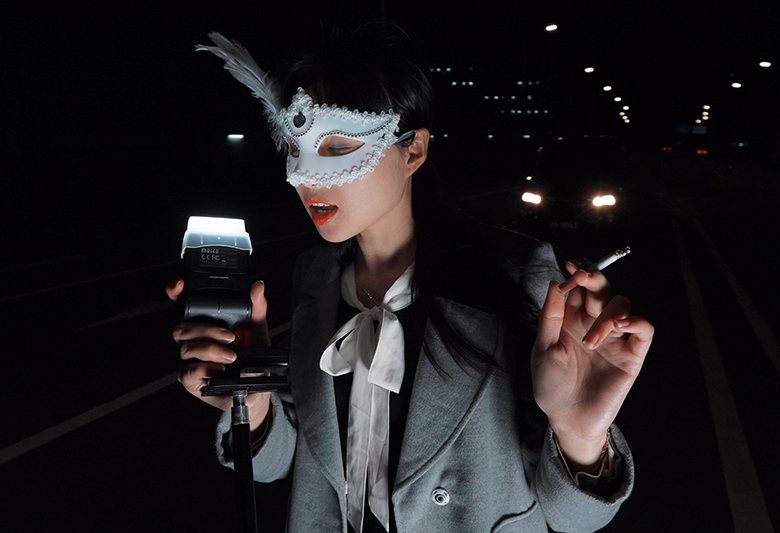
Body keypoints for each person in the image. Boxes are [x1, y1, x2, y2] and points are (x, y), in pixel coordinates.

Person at [168, 22, 654, 533]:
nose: (307, 176)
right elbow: (285, 465)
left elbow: (575, 519)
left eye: (337, 146)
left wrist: (580, 436)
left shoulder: (518, 274)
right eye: (294, 146)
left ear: (414, 151)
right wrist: (252, 403)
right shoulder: (314, 275)